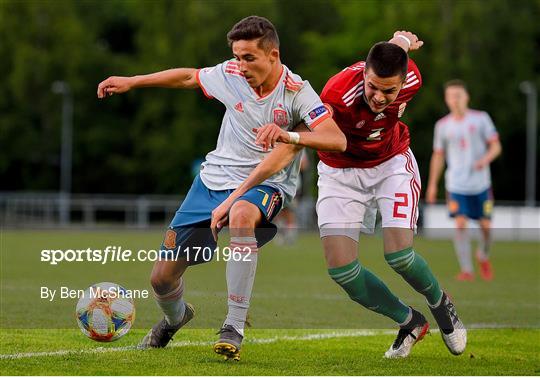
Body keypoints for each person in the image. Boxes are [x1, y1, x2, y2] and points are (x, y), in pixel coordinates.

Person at [97, 15, 346, 361]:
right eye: (237, 56)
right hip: (212, 181)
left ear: (273, 55)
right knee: (161, 280)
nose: (240, 65)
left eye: (249, 58)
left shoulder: (296, 92)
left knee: (242, 216)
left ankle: (234, 326)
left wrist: (290, 135)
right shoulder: (230, 74)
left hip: (265, 184)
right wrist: (133, 81)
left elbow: (336, 139)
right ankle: (175, 319)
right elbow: (188, 76)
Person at [212, 31, 467, 359]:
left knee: (399, 256)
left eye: (388, 91)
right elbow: (304, 140)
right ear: (364, 74)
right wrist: (285, 140)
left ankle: (441, 305)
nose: (377, 96)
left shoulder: (413, 78)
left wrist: (401, 40)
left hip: (390, 163)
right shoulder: (336, 93)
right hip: (340, 173)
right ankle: (410, 322)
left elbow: (398, 47)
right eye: (372, 86)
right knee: (342, 271)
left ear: (403, 81)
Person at [426, 80, 501, 281]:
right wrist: (433, 184)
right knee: (460, 224)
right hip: (456, 185)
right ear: (446, 99)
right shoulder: (442, 125)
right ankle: (466, 269)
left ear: (466, 97)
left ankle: (483, 255)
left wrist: (484, 159)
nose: (455, 100)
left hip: (481, 184)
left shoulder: (480, 119)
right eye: (451, 96)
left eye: (458, 95)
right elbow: (438, 155)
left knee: (486, 227)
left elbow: (496, 146)